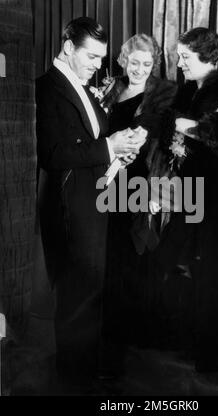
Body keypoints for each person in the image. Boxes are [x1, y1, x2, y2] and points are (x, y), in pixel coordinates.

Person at [130, 27, 218, 376]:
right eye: (179, 55)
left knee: (214, 280)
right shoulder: (187, 90)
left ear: (209, 59)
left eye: (186, 57)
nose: (180, 63)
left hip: (213, 201)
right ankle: (181, 344)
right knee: (168, 266)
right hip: (186, 195)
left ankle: (213, 362)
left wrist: (193, 128)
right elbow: (170, 129)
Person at [35, 17, 145, 391]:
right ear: (68, 47)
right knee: (76, 297)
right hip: (70, 210)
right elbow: (53, 154)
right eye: (92, 56)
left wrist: (118, 157)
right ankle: (72, 381)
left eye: (101, 58)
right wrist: (110, 147)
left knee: (90, 295)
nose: (99, 65)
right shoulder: (47, 88)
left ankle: (81, 374)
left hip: (93, 204)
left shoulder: (82, 87)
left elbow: (92, 150)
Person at [97, 34, 178, 377]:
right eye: (134, 62)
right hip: (107, 181)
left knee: (136, 255)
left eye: (148, 63)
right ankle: (113, 337)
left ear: (154, 64)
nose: (141, 69)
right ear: (123, 61)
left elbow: (152, 124)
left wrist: (133, 142)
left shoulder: (163, 91)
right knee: (112, 256)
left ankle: (132, 341)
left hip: (142, 182)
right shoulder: (111, 89)